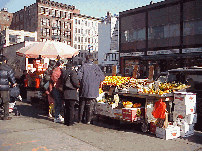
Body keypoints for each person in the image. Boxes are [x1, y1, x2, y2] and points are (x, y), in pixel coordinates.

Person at [78, 54, 105, 124]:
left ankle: (80, 119)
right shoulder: (96, 67)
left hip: (84, 89)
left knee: (82, 105)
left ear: (86, 59)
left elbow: (79, 76)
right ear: (93, 60)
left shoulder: (83, 67)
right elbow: (102, 77)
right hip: (93, 90)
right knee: (91, 106)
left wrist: (83, 82)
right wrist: (95, 82)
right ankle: (88, 120)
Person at [63, 59, 80, 126]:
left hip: (65, 92)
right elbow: (75, 82)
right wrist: (78, 86)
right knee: (71, 108)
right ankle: (70, 122)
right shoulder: (72, 72)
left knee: (66, 107)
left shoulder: (64, 72)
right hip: (71, 92)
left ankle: (66, 121)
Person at [0, 54, 16, 120]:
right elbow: (11, 77)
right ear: (5, 61)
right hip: (4, 88)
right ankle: (5, 116)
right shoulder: (7, 68)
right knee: (6, 101)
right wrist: (13, 83)